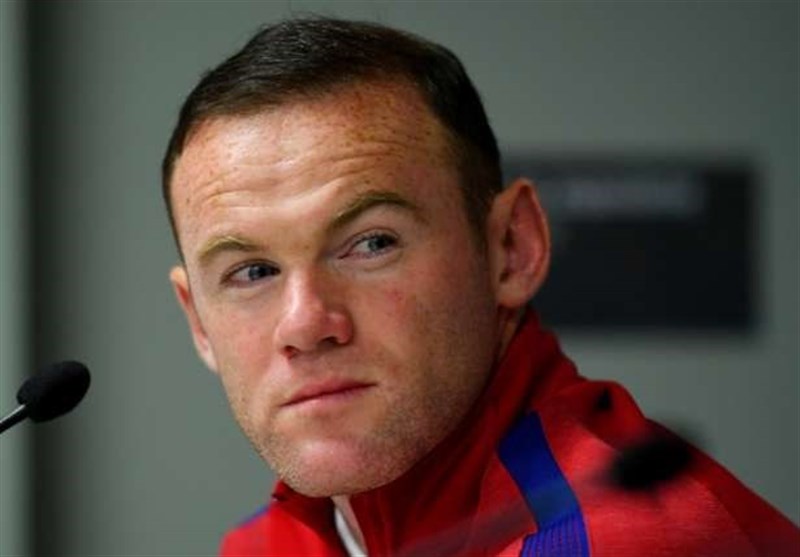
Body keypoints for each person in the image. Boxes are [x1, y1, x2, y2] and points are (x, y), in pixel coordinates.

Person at [162, 17, 799, 557]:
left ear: (511, 249)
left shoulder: (620, 541)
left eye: (372, 243)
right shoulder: (262, 545)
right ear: (197, 322)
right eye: (252, 272)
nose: (305, 324)